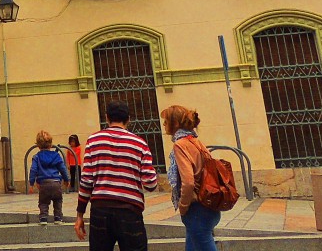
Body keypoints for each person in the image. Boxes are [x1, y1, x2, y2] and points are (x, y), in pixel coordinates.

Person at [74, 101, 158, 251]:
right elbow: (150, 184)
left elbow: (86, 181)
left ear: (107, 118)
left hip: (100, 210)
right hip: (130, 211)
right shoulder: (140, 144)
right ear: (129, 119)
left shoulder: (93, 141)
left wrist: (80, 214)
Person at [162, 105, 220, 251]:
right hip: (209, 204)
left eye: (166, 121)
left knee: (202, 242)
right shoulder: (196, 141)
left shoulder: (180, 145)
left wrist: (183, 206)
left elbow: (188, 182)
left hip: (196, 209)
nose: (163, 125)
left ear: (175, 124)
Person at [29, 129, 70, 223]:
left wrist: (31, 183)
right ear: (51, 144)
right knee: (58, 200)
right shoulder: (56, 155)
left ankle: (43, 217)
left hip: (43, 183)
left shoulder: (37, 157)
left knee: (43, 202)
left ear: (38, 146)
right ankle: (58, 217)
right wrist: (66, 179)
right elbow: (62, 168)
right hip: (56, 183)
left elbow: (33, 170)